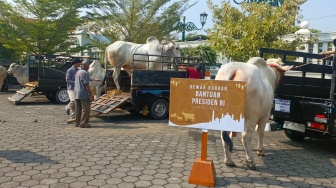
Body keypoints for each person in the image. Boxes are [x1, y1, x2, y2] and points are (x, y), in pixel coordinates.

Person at [74, 60, 94, 128]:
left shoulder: (78, 72)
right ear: (86, 66)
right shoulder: (85, 73)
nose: (89, 67)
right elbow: (86, 85)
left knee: (78, 109)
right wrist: (90, 94)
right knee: (86, 109)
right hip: (83, 93)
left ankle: (77, 122)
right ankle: (84, 123)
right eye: (89, 65)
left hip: (76, 93)